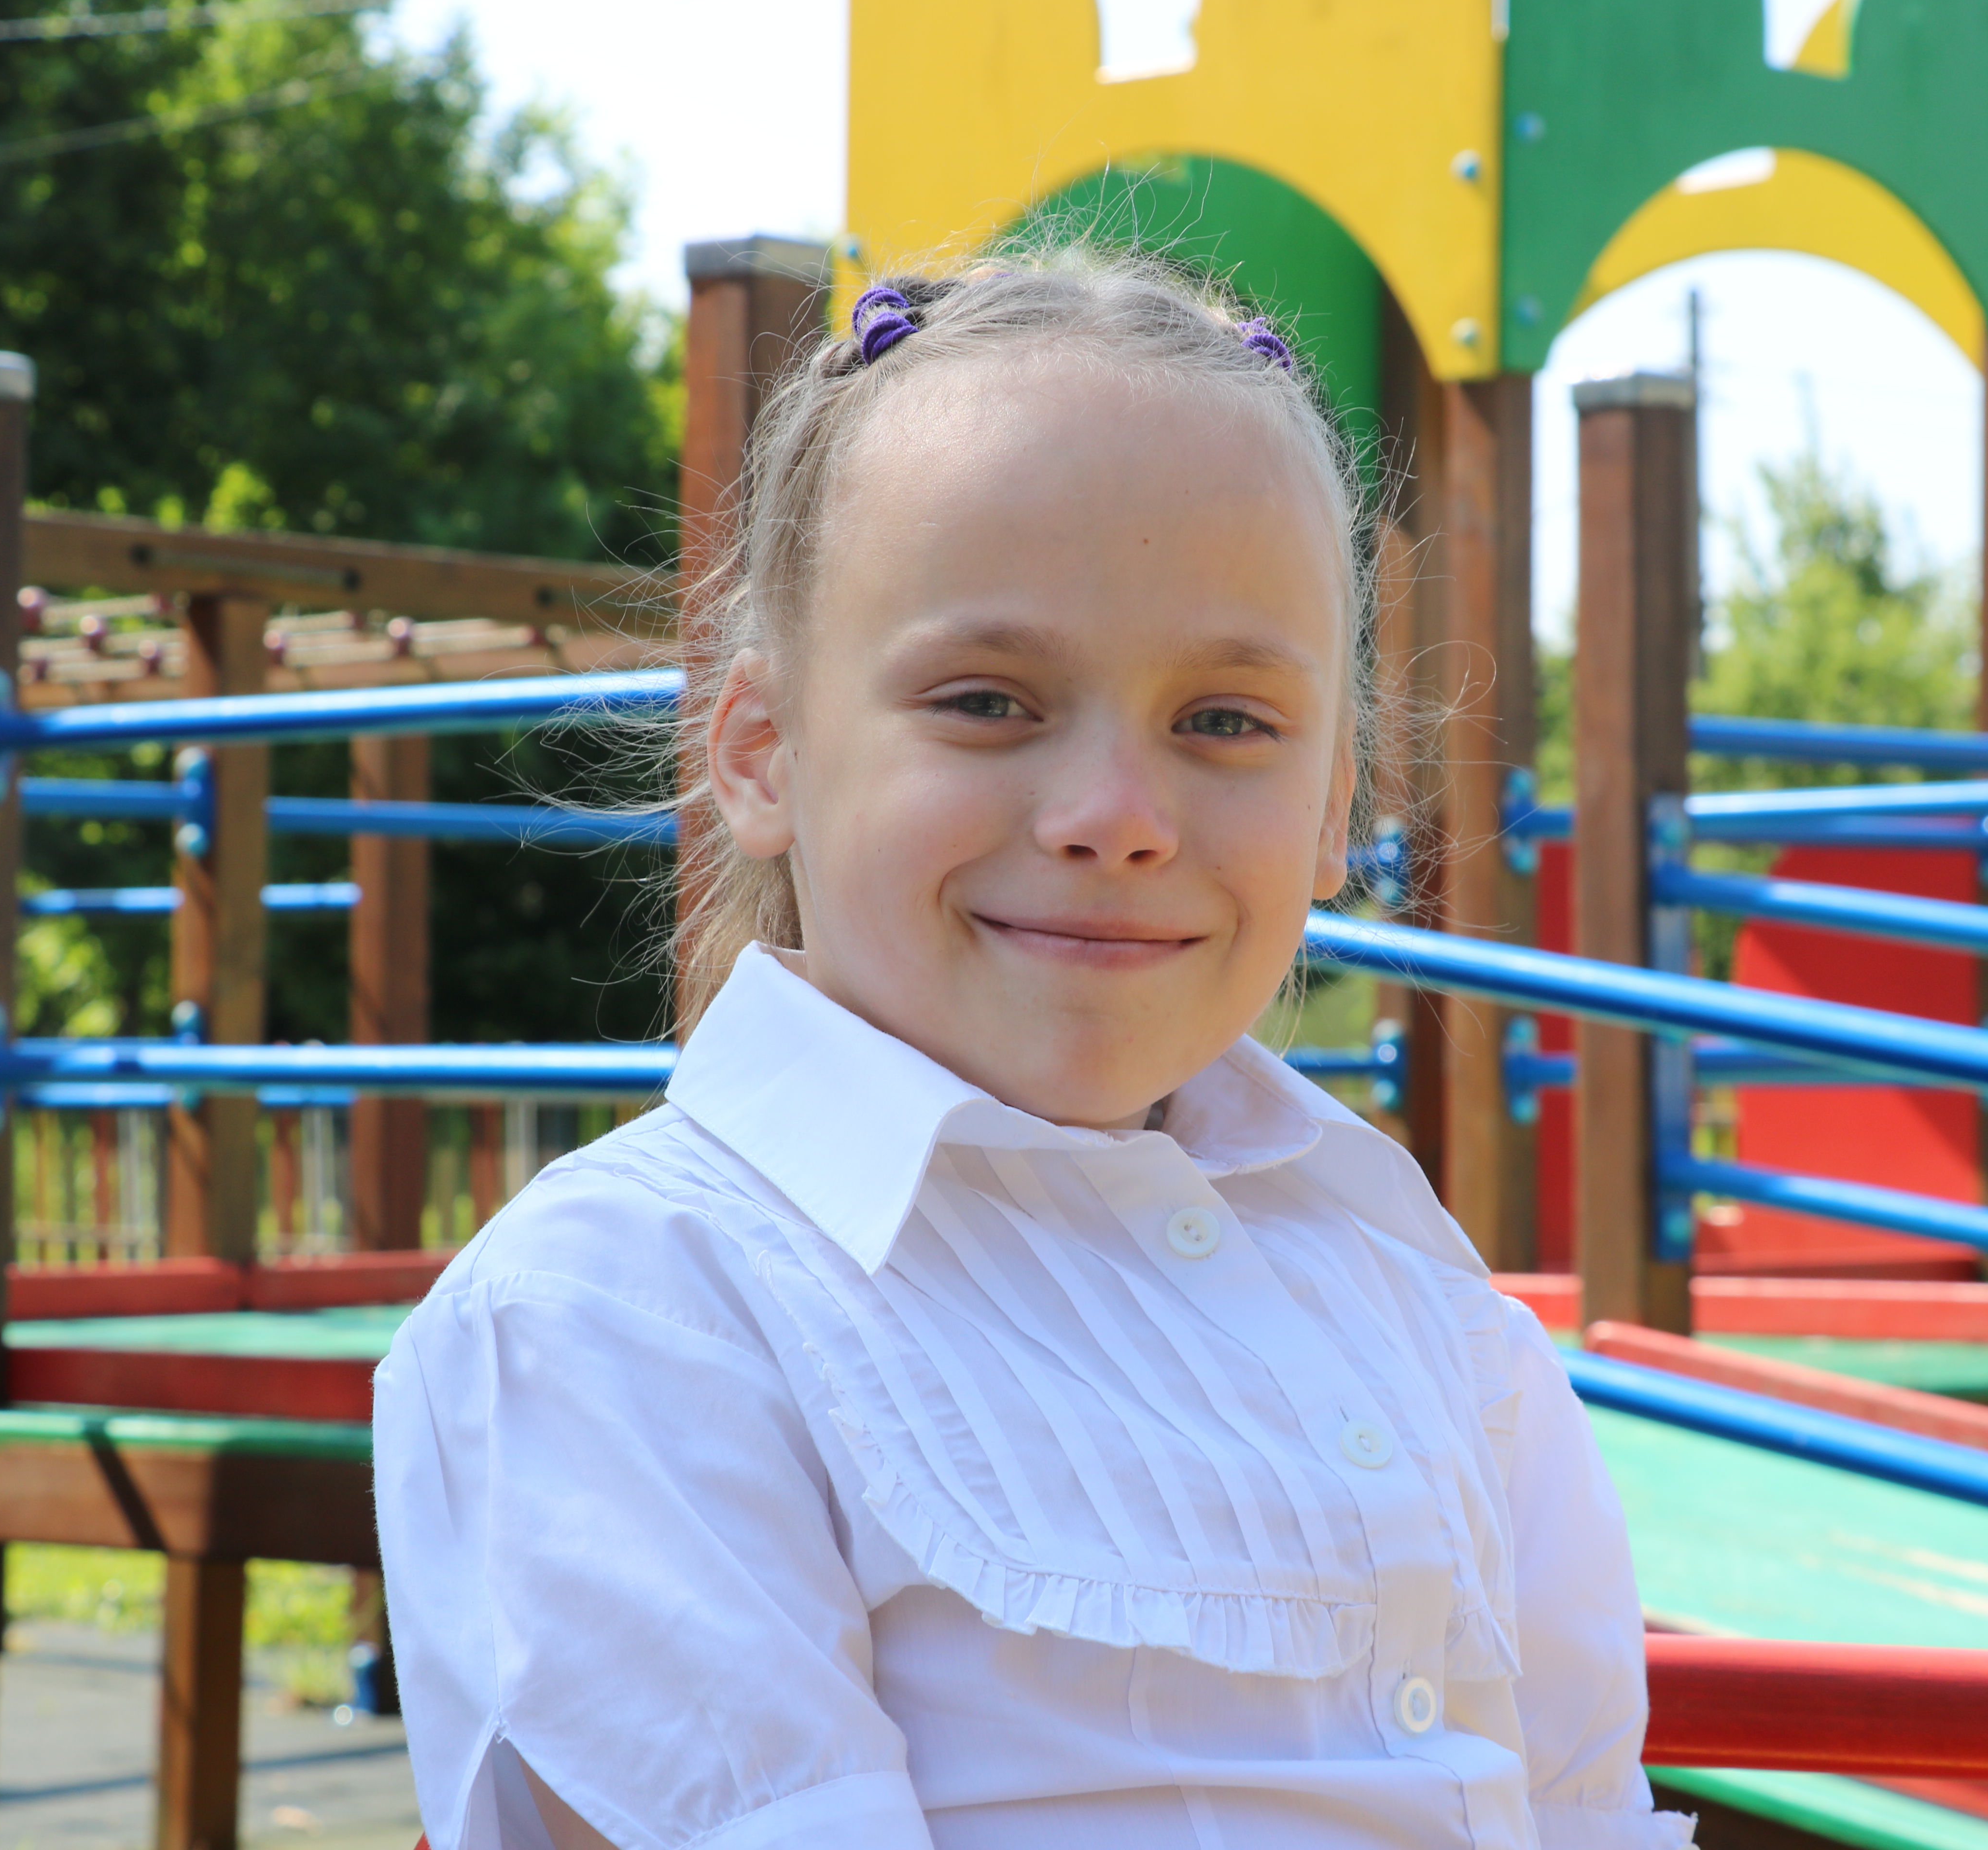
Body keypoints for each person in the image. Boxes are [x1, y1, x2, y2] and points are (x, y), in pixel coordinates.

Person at [372, 256, 1693, 1850]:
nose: (1115, 819)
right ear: (763, 752)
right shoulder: (629, 1317)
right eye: (989, 701)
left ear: (1337, 803)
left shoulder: (1424, 1307)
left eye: (1225, 722)